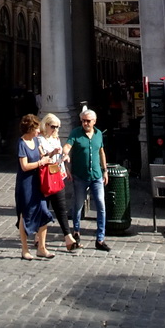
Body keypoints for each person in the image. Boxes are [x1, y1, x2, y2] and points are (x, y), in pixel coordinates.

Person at [63, 108, 110, 252]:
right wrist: (65, 155)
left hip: (96, 176)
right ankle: (76, 231)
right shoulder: (76, 133)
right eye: (83, 120)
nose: (85, 123)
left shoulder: (98, 134)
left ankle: (100, 239)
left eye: (88, 121)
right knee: (78, 205)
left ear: (94, 122)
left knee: (101, 206)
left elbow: (101, 151)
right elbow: (67, 146)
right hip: (80, 176)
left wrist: (105, 170)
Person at [15, 113, 54, 261]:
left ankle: (42, 248)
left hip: (38, 182)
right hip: (26, 184)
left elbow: (42, 155)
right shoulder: (22, 143)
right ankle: (25, 249)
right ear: (30, 128)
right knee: (25, 215)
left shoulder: (36, 141)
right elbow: (24, 166)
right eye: (37, 128)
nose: (39, 131)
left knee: (44, 212)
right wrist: (40, 163)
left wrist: (51, 154)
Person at [37, 113, 79, 252]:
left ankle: (68, 237)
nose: (55, 130)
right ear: (46, 125)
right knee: (44, 209)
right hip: (44, 178)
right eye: (53, 127)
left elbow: (59, 156)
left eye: (58, 127)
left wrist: (65, 164)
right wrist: (52, 153)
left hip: (57, 176)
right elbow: (41, 158)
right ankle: (39, 238)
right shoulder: (39, 140)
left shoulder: (56, 139)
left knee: (61, 208)